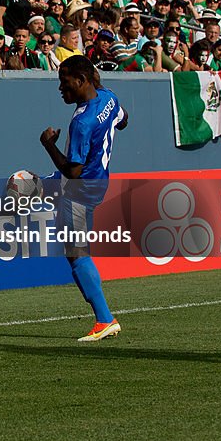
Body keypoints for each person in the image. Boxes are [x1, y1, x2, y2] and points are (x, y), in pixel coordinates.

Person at [39, 55, 129, 342]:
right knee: (28, 186)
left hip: (80, 188)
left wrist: (48, 145)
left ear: (81, 81)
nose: (60, 89)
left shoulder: (81, 121)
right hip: (98, 179)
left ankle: (104, 319)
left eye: (65, 83)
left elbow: (73, 171)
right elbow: (124, 121)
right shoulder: (108, 97)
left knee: (76, 254)